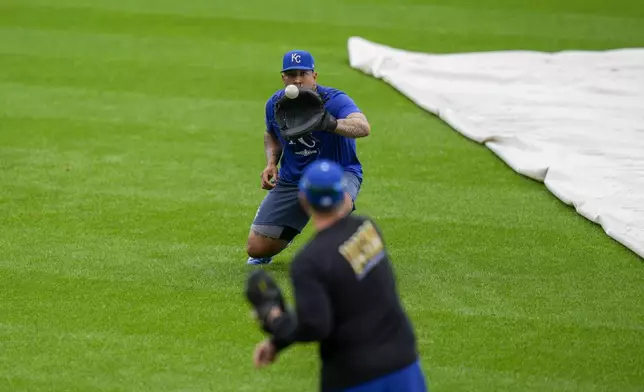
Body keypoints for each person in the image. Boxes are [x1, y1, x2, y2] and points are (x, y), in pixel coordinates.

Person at [247, 159, 428, 392]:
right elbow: (353, 294)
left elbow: (315, 324)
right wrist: (277, 342)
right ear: (343, 196)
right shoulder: (367, 229)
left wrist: (275, 320)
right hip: (404, 362)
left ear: (303, 200)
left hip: (354, 375)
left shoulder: (309, 261)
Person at [246, 49, 371, 265]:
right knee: (256, 249)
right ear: (283, 77)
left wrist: (331, 124)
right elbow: (272, 134)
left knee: (336, 216)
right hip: (293, 179)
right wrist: (271, 163)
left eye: (303, 73)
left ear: (314, 76)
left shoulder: (333, 100)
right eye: (291, 74)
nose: (297, 79)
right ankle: (290, 227)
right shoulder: (276, 104)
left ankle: (363, 252)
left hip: (338, 173)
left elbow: (363, 127)